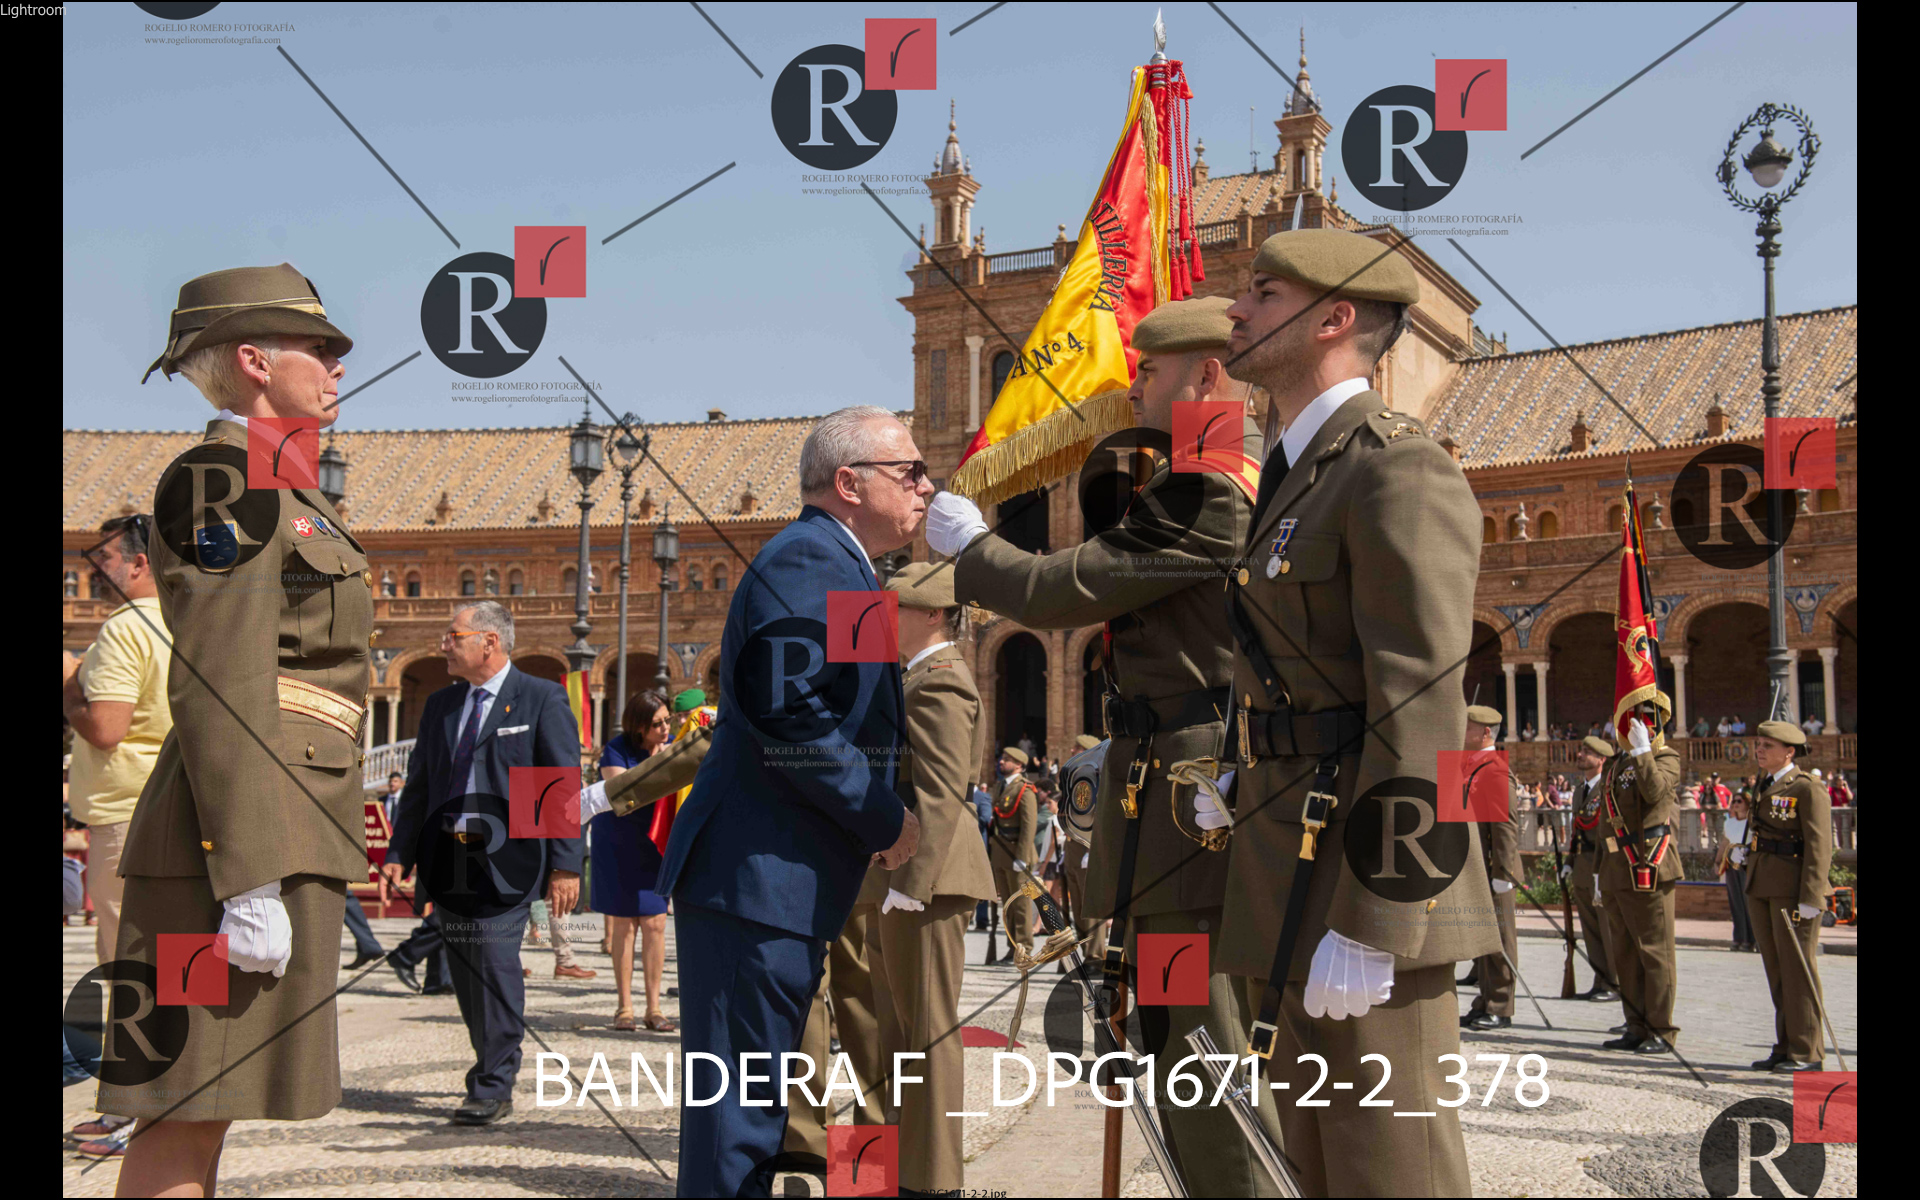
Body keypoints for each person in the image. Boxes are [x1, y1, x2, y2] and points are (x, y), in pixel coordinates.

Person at [931, 294, 1274, 1192]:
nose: (1131, 390)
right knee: (1171, 1020)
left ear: (1207, 374)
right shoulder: (1207, 474)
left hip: (1185, 795)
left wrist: (972, 546)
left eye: (1149, 371)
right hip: (1164, 785)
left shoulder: (1206, 487)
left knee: (1196, 1031)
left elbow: (1066, 590)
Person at [1218, 228, 1500, 1194]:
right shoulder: (1296, 472)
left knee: (1391, 1169)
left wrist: (1381, 912)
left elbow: (1424, 708)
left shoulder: (1393, 466)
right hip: (1289, 873)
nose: (1236, 309)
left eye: (1263, 293)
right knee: (1318, 1169)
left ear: (1334, 318)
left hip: (1362, 883)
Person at [600, 406, 923, 1197]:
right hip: (757, 881)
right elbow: (787, 710)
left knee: (754, 1110)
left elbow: (850, 714)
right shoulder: (814, 559)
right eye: (910, 471)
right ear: (850, 484)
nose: (926, 486)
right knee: (737, 1123)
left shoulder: (846, 566)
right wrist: (883, 817)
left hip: (781, 881)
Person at [101, 263, 366, 1196]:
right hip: (227, 855)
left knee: (209, 1110)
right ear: (255, 360)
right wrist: (248, 881)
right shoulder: (224, 482)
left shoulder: (281, 489)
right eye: (318, 348)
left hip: (275, 833)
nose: (337, 364)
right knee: (184, 1111)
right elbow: (220, 682)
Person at [383, 601, 586, 1125]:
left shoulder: (539, 698)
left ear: (488, 642)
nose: (444, 646)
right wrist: (400, 852)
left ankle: (493, 1084)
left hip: (508, 862)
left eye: (453, 636)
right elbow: (420, 784)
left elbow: (560, 785)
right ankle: (489, 1064)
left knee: (495, 966)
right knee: (467, 972)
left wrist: (566, 864)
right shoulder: (441, 705)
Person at [866, 561, 997, 1194]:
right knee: (901, 1031)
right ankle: (905, 1170)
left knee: (929, 1031)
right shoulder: (914, 676)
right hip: (905, 874)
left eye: (895, 609)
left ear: (934, 614)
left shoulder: (940, 681)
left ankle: (936, 1179)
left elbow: (942, 794)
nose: (883, 619)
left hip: (930, 879)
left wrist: (910, 884)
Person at [62, 514, 171, 972]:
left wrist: (69, 688)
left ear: (139, 563)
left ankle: (134, 1026)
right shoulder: (185, 621)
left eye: (104, 557)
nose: (94, 570)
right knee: (182, 947)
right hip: (180, 804)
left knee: (129, 953)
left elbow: (106, 729)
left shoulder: (124, 628)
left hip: (128, 814)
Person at [1745, 720, 1834, 1072]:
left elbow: (1819, 845)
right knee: (1777, 969)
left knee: (1798, 970)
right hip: (1763, 885)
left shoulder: (1807, 787)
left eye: (1768, 745)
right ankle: (1785, 1045)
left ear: (1789, 752)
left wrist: (1812, 894)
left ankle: (1807, 1052)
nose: (1760, 749)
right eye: (1759, 743)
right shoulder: (1765, 784)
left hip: (1793, 891)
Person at [1596, 701, 1683, 1055]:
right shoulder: (1616, 764)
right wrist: (1599, 870)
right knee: (1626, 954)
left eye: (1642, 718)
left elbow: (1654, 792)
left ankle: (1661, 1029)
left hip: (1648, 863)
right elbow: (1606, 822)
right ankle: (1635, 1025)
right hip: (1617, 867)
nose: (1631, 725)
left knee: (1655, 952)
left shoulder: (1666, 758)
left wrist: (1644, 750)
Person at [594, 689, 677, 1032]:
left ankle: (654, 1008)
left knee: (655, 924)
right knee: (625, 925)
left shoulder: (673, 748)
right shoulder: (616, 749)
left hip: (655, 844)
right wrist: (664, 764)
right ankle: (624, 1006)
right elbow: (623, 793)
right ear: (639, 726)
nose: (665, 728)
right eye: (657, 724)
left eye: (667, 720)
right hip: (619, 843)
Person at [1462, 706, 1522, 1032]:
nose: (1461, 730)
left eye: (1467, 726)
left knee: (1499, 940)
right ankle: (1484, 1001)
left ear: (1486, 733)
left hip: (1494, 870)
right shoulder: (1471, 766)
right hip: (1477, 870)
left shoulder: (1495, 770)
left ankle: (1501, 1006)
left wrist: (1503, 874)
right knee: (1483, 941)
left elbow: (1506, 827)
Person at [1562, 736, 1619, 1000]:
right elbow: (1577, 832)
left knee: (1607, 928)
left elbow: (1610, 836)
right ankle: (1600, 980)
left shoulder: (1608, 790)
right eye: (1581, 751)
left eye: (1587, 752)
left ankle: (1614, 983)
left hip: (1601, 867)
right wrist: (1569, 863)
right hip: (1582, 867)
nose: (1581, 755)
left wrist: (1603, 871)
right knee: (1590, 929)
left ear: (1601, 759)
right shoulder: (1579, 791)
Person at [985, 747, 1042, 955]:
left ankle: (1024, 948)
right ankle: (1012, 947)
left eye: (1007, 759)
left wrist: (1022, 857)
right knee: (1007, 905)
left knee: (1020, 905)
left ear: (1019, 765)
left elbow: (1029, 825)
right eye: (1002, 758)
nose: (1001, 762)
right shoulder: (1000, 786)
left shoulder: (1025, 789)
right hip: (1000, 853)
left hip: (1017, 853)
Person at [1716, 793, 1756, 952]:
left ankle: (1752, 939)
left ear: (1747, 803)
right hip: (1732, 864)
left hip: (1747, 864)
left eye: (1740, 801)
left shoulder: (1752, 822)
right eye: (1734, 801)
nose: (1736, 804)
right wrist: (1717, 861)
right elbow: (1725, 843)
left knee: (1748, 903)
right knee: (1736, 903)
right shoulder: (1729, 823)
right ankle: (1739, 937)